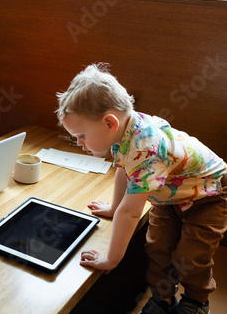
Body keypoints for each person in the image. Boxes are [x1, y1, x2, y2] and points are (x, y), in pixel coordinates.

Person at [56, 63, 226, 314]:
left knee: (190, 255)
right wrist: (114, 207)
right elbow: (124, 172)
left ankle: (197, 301)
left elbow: (131, 213)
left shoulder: (146, 147)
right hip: (169, 197)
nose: (79, 143)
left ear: (109, 123)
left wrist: (111, 259)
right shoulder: (123, 132)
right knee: (156, 247)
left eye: (81, 135)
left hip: (207, 195)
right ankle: (162, 298)